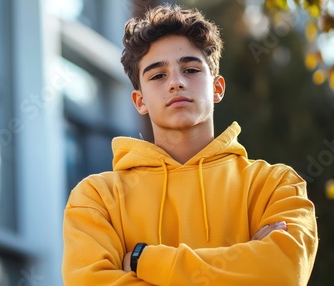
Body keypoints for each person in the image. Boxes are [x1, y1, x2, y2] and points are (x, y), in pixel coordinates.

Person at [62, 4, 318, 285]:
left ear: (217, 88)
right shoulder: (97, 200)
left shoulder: (274, 186)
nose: (176, 82)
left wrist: (141, 260)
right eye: (158, 75)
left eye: (191, 69)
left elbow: (282, 273)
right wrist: (245, 267)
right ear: (140, 101)